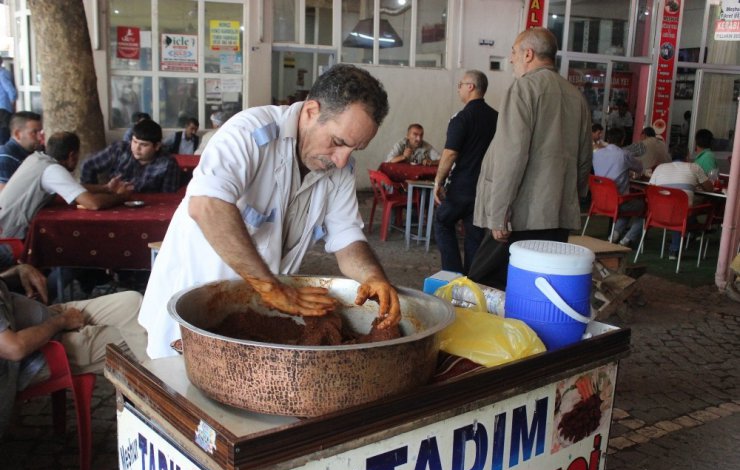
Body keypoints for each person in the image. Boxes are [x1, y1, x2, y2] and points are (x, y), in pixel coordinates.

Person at [139, 64, 401, 359]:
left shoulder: (340, 168)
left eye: (354, 149)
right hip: (191, 311)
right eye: (338, 142)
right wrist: (270, 287)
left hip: (254, 321)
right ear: (311, 111)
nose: (342, 160)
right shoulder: (250, 132)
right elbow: (206, 205)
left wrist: (373, 276)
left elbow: (347, 238)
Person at [469, 27, 591, 290]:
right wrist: (573, 200)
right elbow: (584, 159)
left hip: (521, 217)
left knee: (483, 283)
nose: (511, 59)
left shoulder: (524, 89)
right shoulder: (575, 96)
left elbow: (511, 156)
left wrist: (499, 214)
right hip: (557, 214)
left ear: (528, 54)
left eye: (513, 52)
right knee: (539, 288)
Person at [0, 263, 148, 438]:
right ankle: (164, 409)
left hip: (46, 318)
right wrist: (61, 322)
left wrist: (16, 271)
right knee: (140, 334)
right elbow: (13, 348)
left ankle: (162, 399)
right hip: (44, 349)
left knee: (133, 302)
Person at [0, 132, 133, 239]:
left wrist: (106, 188)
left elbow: (71, 186)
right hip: (11, 237)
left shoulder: (37, 158)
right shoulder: (52, 170)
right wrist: (121, 197)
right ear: (72, 155)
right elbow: (93, 204)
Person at [432, 70, 498, 275]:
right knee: (474, 234)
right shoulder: (497, 118)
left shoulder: (462, 118)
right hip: (485, 187)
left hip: (461, 186)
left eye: (460, 84)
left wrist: (438, 181)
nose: (458, 88)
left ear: (471, 87)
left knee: (442, 222)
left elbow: (450, 153)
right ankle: (472, 280)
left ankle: (452, 275)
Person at [80, 119, 180, 193]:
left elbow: (169, 197)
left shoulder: (168, 164)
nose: (137, 148)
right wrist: (92, 192)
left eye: (144, 145)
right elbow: (88, 165)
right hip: (112, 202)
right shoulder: (120, 150)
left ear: (157, 146)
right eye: (134, 142)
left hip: (147, 209)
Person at [649, 146, 713, 259]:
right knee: (683, 208)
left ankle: (681, 241)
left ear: (670, 155)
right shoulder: (694, 167)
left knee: (677, 206)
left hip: (657, 212)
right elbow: (709, 188)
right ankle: (681, 244)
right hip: (681, 213)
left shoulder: (660, 167)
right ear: (687, 156)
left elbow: (650, 189)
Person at [592, 127, 645, 248]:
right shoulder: (624, 154)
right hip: (618, 202)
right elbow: (639, 168)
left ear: (608, 139)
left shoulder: (596, 154)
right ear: (622, 141)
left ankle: (615, 234)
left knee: (629, 206)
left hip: (598, 201)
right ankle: (627, 238)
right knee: (645, 206)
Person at [0, 111, 43, 192]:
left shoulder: (33, 153)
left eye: (40, 132)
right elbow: (3, 198)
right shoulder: (5, 158)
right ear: (17, 134)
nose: (39, 137)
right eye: (34, 133)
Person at [0, 58, 17, 145]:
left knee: (3, 130)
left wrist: (12, 102)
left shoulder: (2, 74)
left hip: (3, 107)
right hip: (3, 106)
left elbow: (10, 90)